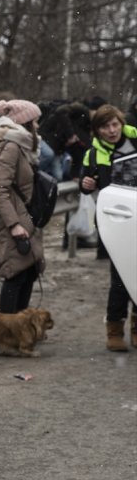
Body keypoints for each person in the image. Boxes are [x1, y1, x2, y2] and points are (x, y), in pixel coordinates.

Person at [79, 104, 137, 351]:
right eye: (105, 126)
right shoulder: (92, 154)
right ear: (97, 130)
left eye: (115, 124)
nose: (112, 130)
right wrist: (86, 183)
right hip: (114, 223)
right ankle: (114, 329)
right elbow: (85, 185)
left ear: (121, 123)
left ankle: (136, 327)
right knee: (120, 278)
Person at [0, 99, 46, 314]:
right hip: (14, 220)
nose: (37, 126)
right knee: (16, 273)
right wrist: (14, 225)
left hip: (24, 216)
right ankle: (6, 332)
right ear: (25, 122)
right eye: (35, 121)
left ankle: (19, 330)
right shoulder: (11, 146)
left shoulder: (22, 146)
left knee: (29, 271)